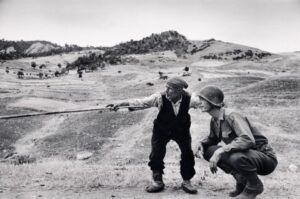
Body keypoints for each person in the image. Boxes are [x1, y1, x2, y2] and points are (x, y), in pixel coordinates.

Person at [107, 77, 200, 194]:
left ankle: (187, 181)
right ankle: (158, 181)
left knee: (187, 153)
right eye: (166, 88)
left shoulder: (191, 99)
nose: (166, 91)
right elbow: (141, 103)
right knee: (156, 153)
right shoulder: (159, 98)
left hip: (181, 130)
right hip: (161, 130)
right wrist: (120, 105)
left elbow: (206, 103)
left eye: (169, 89)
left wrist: (219, 105)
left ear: (179, 91)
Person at [195, 86, 277, 199]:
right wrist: (201, 144)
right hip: (246, 155)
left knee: (235, 157)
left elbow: (247, 140)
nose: (199, 103)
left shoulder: (232, 115)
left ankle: (254, 186)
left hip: (265, 158)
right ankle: (242, 180)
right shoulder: (214, 119)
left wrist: (221, 150)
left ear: (212, 101)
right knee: (208, 151)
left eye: (202, 100)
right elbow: (213, 139)